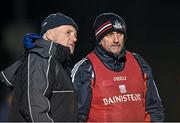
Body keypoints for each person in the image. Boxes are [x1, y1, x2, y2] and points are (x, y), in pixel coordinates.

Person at [71, 12, 164, 122]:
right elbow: (76, 116)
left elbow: (154, 108)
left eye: (119, 34)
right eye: (110, 35)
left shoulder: (139, 62)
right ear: (100, 39)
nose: (116, 40)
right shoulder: (86, 68)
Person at [0, 12, 78, 122]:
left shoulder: (60, 65)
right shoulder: (39, 58)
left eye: (75, 35)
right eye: (68, 32)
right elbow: (34, 108)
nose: (74, 38)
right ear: (50, 35)